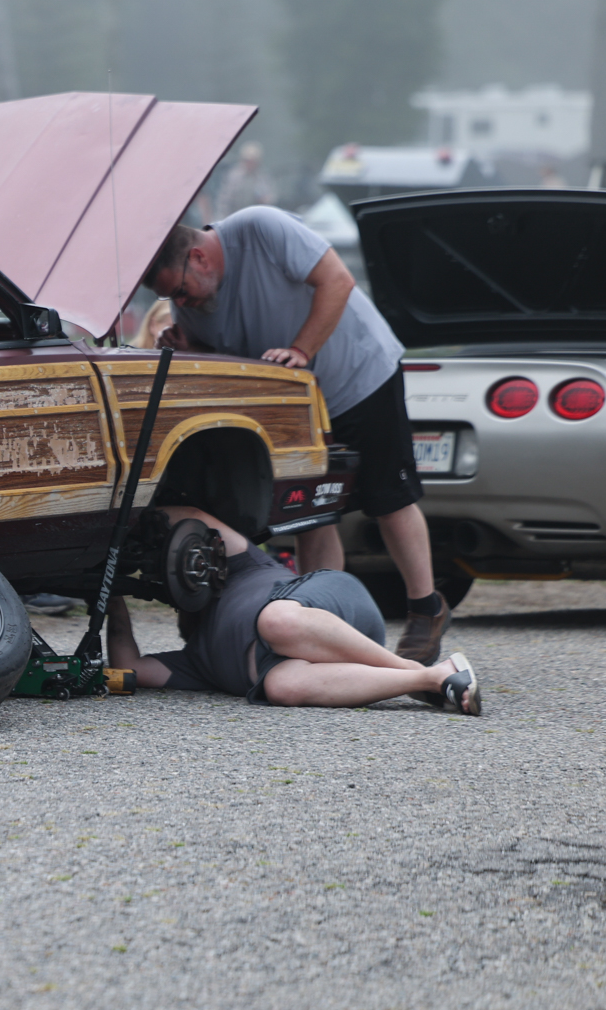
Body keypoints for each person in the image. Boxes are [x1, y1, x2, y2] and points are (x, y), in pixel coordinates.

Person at [142, 205, 454, 667]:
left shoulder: (262, 227)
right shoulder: (190, 310)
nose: (180, 305)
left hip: (357, 377)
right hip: (296, 407)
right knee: (312, 511)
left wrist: (301, 349)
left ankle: (426, 608)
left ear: (199, 258)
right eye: (173, 298)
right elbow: (223, 356)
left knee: (389, 498)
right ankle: (323, 619)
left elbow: (337, 281)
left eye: (180, 292)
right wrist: (191, 348)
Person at [107, 507, 480, 714]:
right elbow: (129, 668)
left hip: (330, 607)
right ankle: (433, 679)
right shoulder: (194, 660)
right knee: (279, 687)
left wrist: (125, 527)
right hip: (324, 660)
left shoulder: (237, 566)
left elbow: (190, 515)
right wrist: (111, 593)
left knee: (277, 622)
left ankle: (409, 668)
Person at [213, 142, 275, 219]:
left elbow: (270, 198)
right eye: (247, 160)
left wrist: (265, 200)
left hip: (255, 218)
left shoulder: (263, 177)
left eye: (253, 161)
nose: (250, 164)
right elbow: (224, 201)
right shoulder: (233, 177)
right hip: (234, 217)